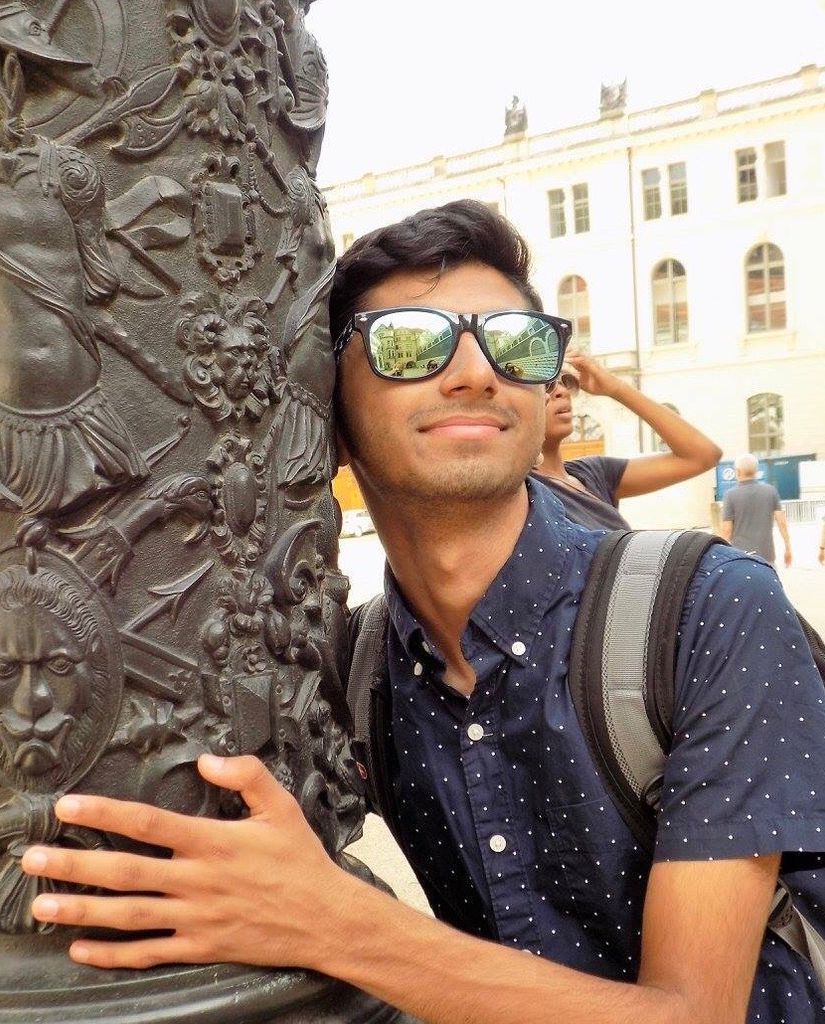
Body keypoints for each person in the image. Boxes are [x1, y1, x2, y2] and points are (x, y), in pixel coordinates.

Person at [21, 200, 825, 1023]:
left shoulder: (708, 610)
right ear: (327, 409)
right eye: (409, 343)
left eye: (516, 345)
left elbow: (695, 1015)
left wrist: (336, 924)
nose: (477, 372)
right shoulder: (353, 668)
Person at [535, 357, 721, 529]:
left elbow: (702, 455)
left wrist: (615, 388)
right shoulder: (519, 491)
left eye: (564, 381)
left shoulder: (593, 473)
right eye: (546, 385)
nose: (562, 391)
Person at [719, 453, 792, 566]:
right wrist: (788, 548)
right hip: (766, 557)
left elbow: (726, 531)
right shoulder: (770, 491)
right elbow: (782, 522)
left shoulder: (730, 495)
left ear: (737, 472)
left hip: (741, 558)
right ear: (756, 471)